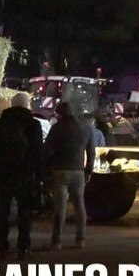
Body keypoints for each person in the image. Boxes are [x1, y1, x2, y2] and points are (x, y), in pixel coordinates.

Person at [0, 92, 45, 260]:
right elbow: (37, 151)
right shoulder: (33, 124)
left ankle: (2, 247)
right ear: (27, 104)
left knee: (2, 211)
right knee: (24, 211)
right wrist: (39, 175)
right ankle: (23, 247)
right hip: (25, 174)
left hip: (4, 174)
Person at [44, 101, 95, 250]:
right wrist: (88, 171)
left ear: (60, 114)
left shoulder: (57, 128)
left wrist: (47, 170)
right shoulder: (86, 128)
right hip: (78, 172)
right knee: (79, 205)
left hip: (59, 171)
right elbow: (91, 153)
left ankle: (56, 241)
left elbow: (47, 150)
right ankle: (80, 239)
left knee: (60, 207)